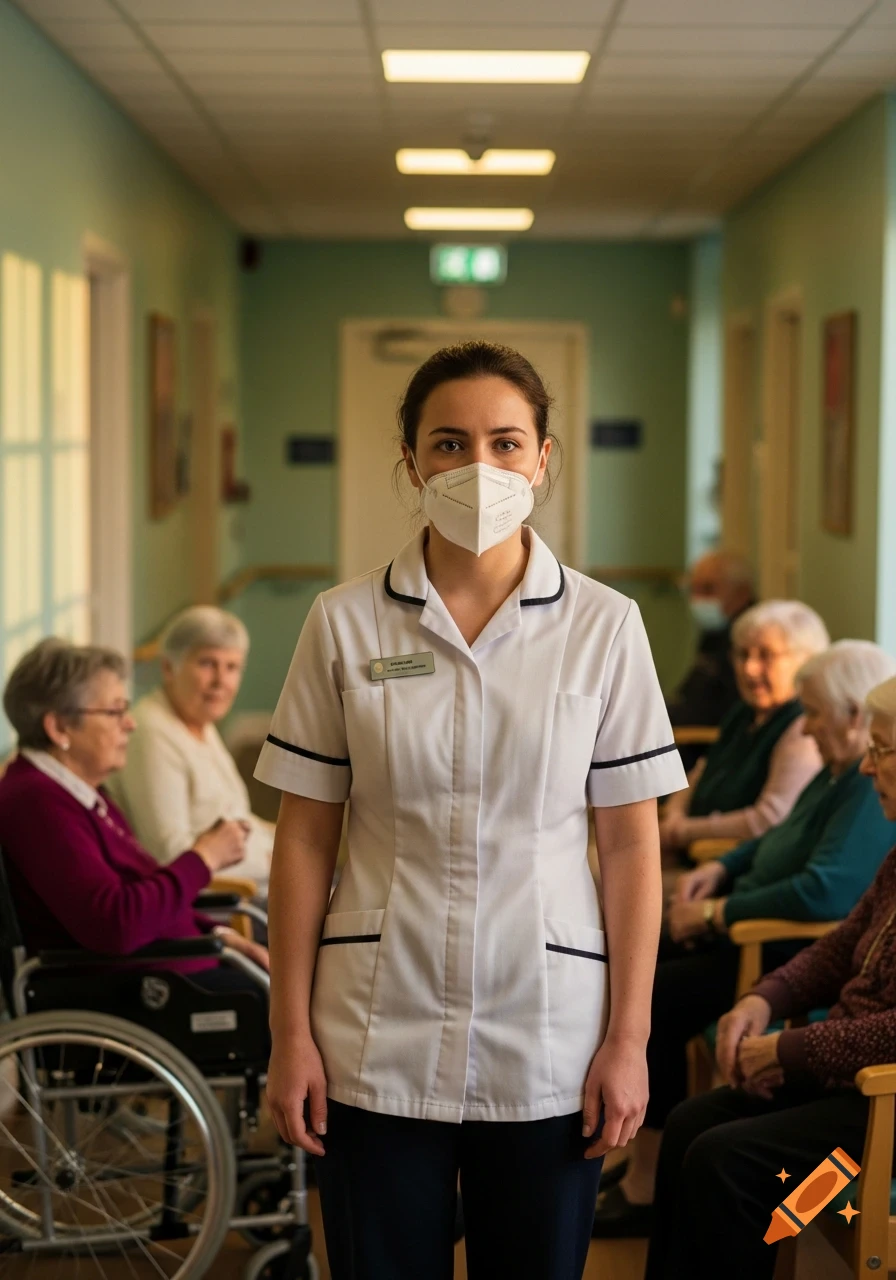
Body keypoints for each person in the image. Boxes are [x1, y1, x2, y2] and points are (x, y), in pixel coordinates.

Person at [258, 341, 688, 1280]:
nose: (479, 468)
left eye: (505, 442)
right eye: (449, 444)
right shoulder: (346, 623)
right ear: (412, 463)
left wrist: (629, 1037)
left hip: (550, 1034)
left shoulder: (604, 627)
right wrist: (290, 1035)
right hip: (376, 1029)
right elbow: (302, 842)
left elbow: (628, 848)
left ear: (543, 459)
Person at [592, 640, 896, 1237]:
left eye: (881, 752)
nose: (865, 766)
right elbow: (842, 943)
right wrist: (768, 997)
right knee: (688, 1124)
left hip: (879, 1112)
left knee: (723, 1162)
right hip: (846, 1085)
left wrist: (789, 1049)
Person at [0, 639, 268, 986]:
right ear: (59, 727)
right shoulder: (36, 802)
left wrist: (218, 932)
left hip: (171, 964)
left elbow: (143, 888)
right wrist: (204, 858)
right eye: (114, 712)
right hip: (132, 987)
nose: (130, 724)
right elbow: (117, 923)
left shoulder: (81, 792)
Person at [108, 606, 274, 892]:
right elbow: (169, 854)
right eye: (207, 664)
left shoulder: (201, 722)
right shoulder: (150, 732)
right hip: (219, 904)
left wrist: (285, 839)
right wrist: (270, 859)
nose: (221, 681)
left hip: (258, 883)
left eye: (232, 667)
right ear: (168, 668)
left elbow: (235, 814)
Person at [659, 600, 828, 856]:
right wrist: (674, 814)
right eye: (742, 654)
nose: (750, 669)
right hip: (686, 849)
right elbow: (702, 771)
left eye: (766, 655)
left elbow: (768, 819)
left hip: (723, 864)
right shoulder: (744, 712)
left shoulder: (802, 728)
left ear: (807, 661)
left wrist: (685, 830)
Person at [666, 550, 755, 746]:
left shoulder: (751, 639)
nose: (698, 599)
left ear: (741, 594)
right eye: (693, 589)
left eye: (708, 589)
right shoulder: (716, 631)